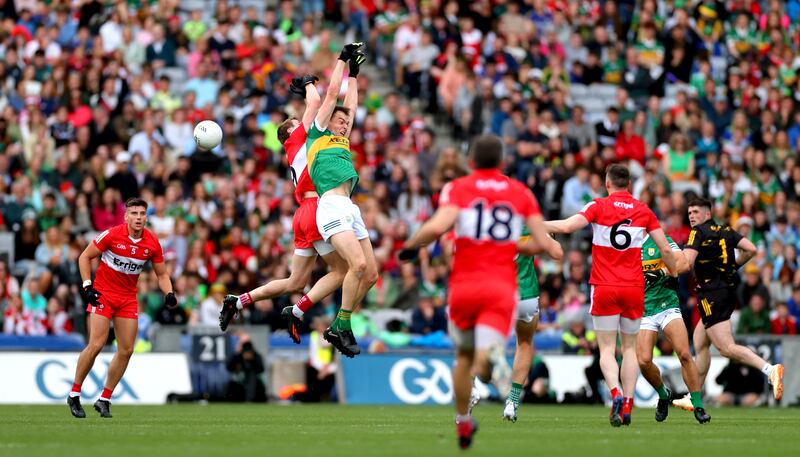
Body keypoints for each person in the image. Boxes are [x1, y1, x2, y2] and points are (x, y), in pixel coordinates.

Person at [399, 134, 562, 449]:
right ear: (502, 163)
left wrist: (411, 247)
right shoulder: (520, 193)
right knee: (487, 356)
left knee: (462, 356)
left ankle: (463, 422)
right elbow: (546, 246)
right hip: (501, 287)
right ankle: (492, 366)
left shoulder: (459, 189)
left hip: (464, 286)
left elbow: (436, 227)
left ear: (470, 162)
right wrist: (514, 243)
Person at [544, 164, 678, 427]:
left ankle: (615, 393)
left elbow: (570, 226)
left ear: (607, 183)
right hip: (633, 288)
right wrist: (673, 271)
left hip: (604, 286)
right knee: (629, 349)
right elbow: (665, 248)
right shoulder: (644, 210)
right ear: (628, 184)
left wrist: (539, 225)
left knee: (606, 349)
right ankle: (628, 404)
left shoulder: (598, 205)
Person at [218, 71, 348, 341]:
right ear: (289, 130)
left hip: (302, 213)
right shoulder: (297, 137)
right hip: (315, 209)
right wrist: (308, 83)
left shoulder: (295, 147)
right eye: (296, 122)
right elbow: (315, 103)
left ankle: (238, 301)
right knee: (342, 271)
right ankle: (298, 311)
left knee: (295, 282)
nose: (302, 122)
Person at [68, 198, 176, 419]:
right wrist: (87, 285)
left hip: (127, 298)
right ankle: (75, 393)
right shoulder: (111, 235)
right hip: (103, 294)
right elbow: (84, 257)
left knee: (126, 350)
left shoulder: (152, 243)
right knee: (96, 344)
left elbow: (162, 274)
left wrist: (169, 293)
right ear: (126, 216)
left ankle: (104, 399)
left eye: (142, 214)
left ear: (147, 217)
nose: (138, 217)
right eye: (133, 213)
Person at [304, 42, 379, 357]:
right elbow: (333, 94)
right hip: (330, 206)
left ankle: (339, 324)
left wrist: (356, 75)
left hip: (350, 207)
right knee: (357, 264)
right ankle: (342, 325)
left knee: (371, 275)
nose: (345, 121)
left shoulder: (342, 138)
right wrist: (342, 61)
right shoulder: (317, 132)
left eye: (347, 121)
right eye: (340, 119)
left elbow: (350, 101)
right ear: (328, 118)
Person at [681, 198, 784, 402]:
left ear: (707, 214)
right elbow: (752, 249)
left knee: (726, 348)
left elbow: (687, 262)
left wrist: (667, 267)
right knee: (700, 343)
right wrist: (733, 266)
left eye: (695, 211)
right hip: (725, 291)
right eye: (689, 212)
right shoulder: (726, 230)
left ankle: (770, 369)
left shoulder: (697, 232)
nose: (691, 215)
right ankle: (694, 397)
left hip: (711, 294)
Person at [467, 226, 545, 423]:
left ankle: (472, 387)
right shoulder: (529, 219)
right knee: (525, 344)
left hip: (498, 293)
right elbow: (552, 249)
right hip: (526, 295)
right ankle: (512, 402)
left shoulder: (487, 222)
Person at [636, 230, 711, 423]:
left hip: (666, 305)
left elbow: (684, 263)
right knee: (643, 361)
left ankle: (698, 404)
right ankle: (663, 394)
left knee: (684, 354)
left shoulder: (660, 241)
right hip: (643, 309)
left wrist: (661, 272)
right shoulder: (625, 246)